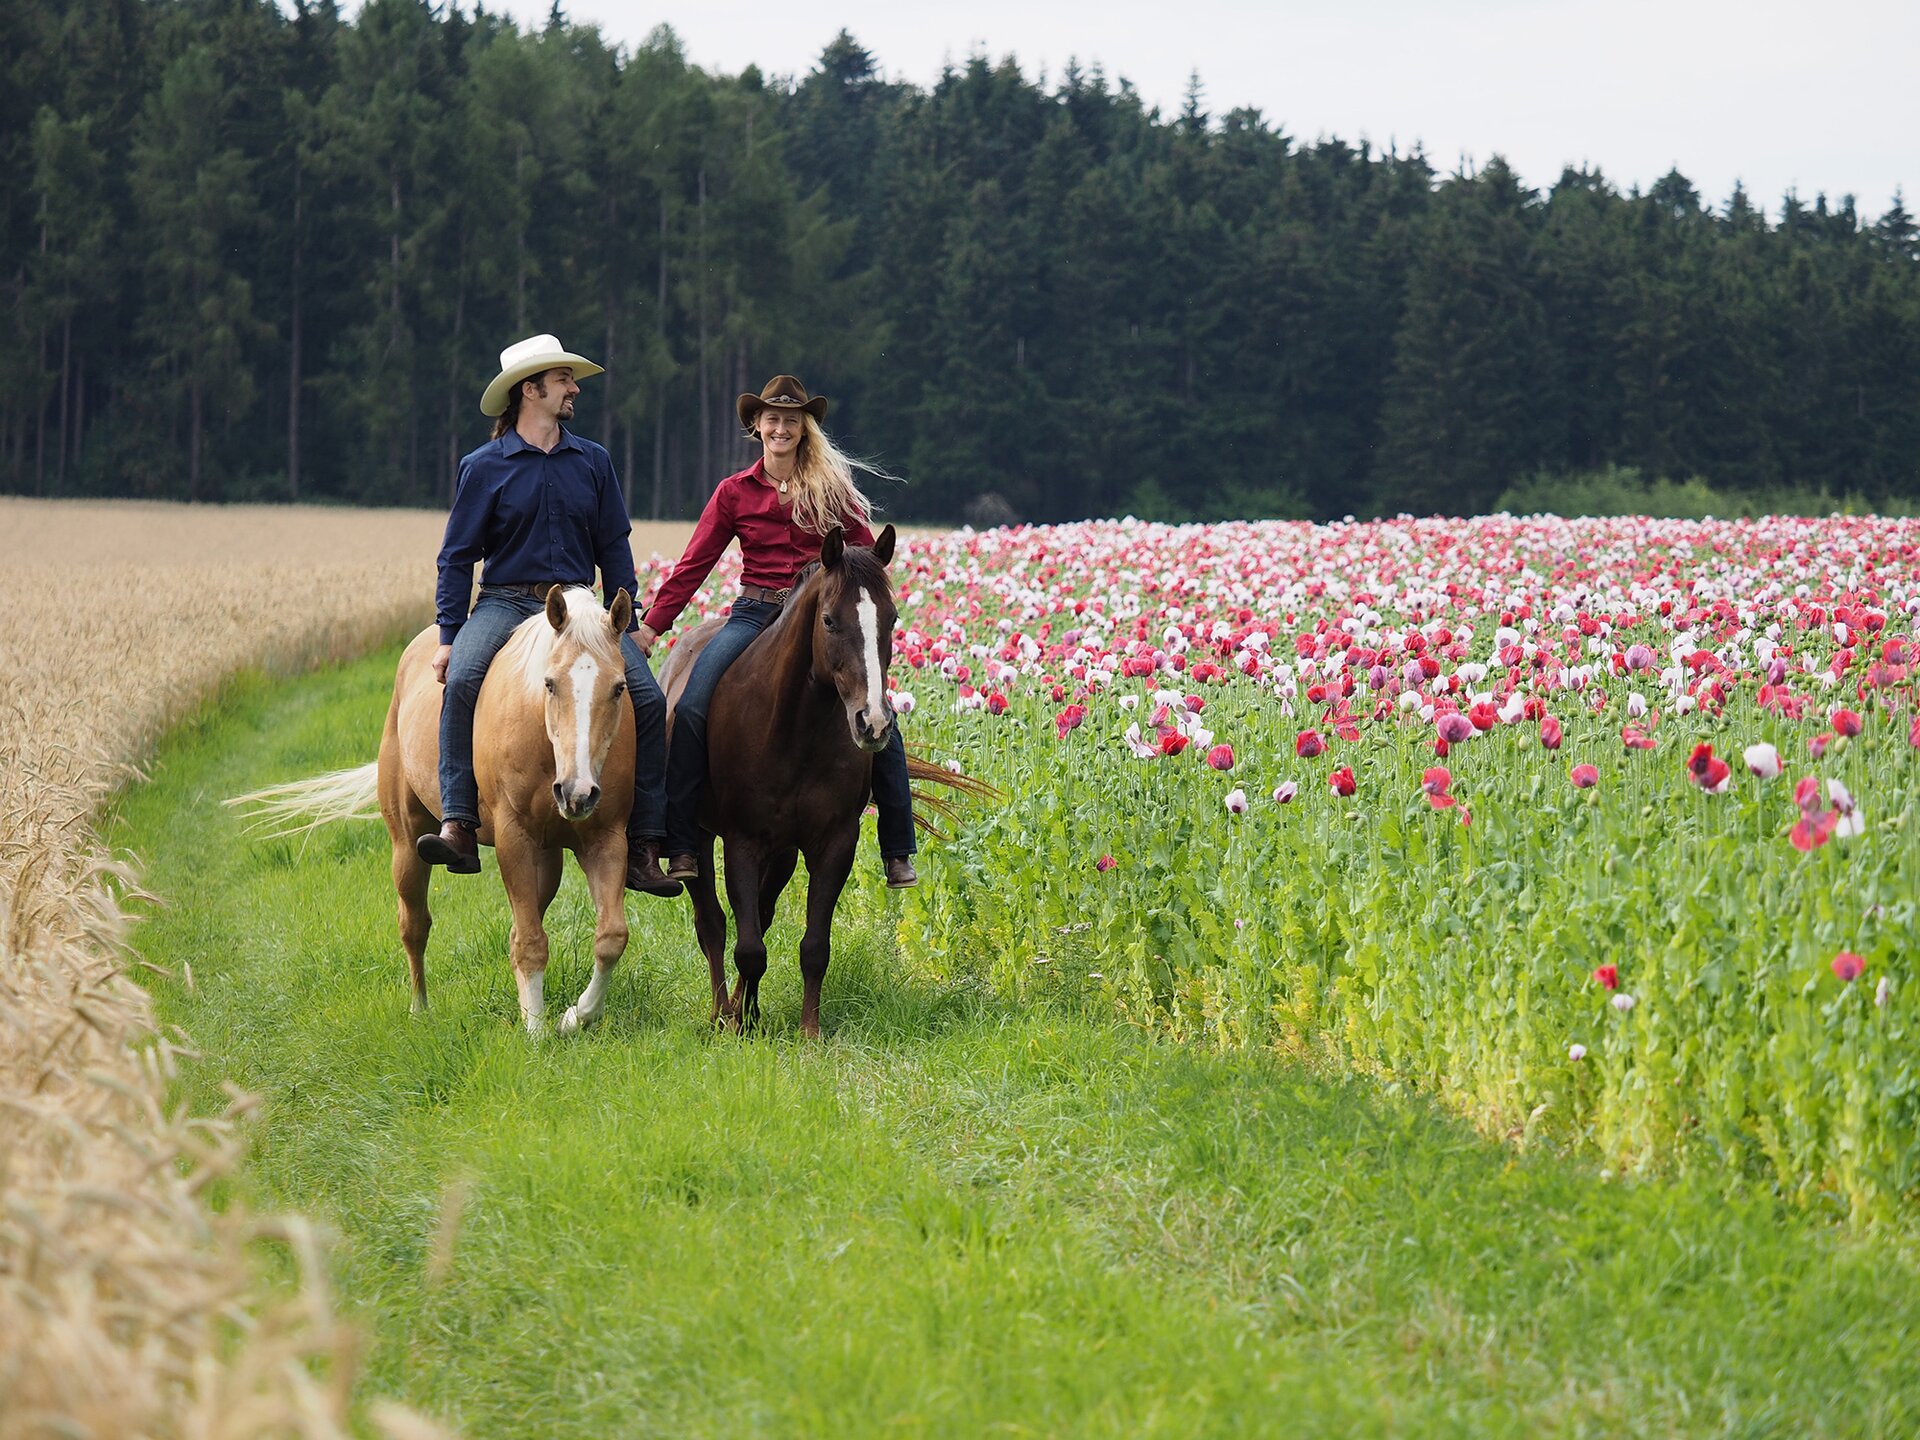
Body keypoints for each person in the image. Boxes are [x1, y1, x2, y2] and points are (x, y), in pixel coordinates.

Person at [417, 333, 680, 897]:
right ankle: (460, 822)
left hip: (581, 607)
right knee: (462, 679)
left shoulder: (593, 461)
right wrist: (447, 635)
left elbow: (614, 544)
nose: (573, 388)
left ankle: (646, 844)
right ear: (529, 390)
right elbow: (457, 556)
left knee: (650, 700)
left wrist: (624, 628)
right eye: (563, 379)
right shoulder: (483, 466)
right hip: (505, 601)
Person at [637, 375, 918, 888]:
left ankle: (897, 849)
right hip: (753, 613)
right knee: (694, 705)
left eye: (791, 420)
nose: (781, 427)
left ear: (804, 428)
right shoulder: (734, 493)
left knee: (882, 717)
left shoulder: (833, 491)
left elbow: (867, 559)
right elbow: (694, 564)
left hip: (818, 623)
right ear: (756, 426)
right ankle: (677, 843)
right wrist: (653, 627)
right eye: (772, 419)